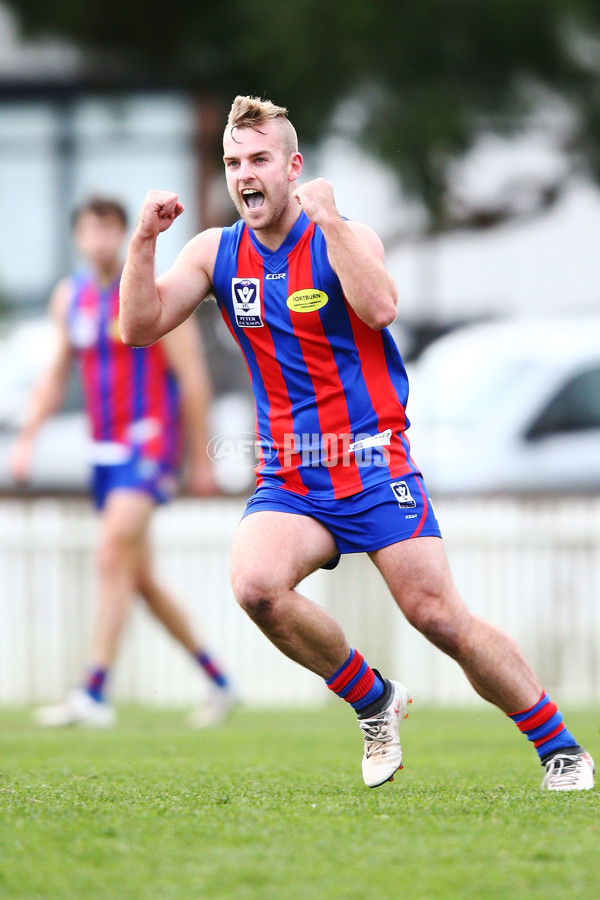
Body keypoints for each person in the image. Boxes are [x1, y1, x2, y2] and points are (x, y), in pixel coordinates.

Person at [119, 96, 594, 790]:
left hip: (372, 463)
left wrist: (332, 219)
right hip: (291, 476)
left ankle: (561, 749)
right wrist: (142, 242)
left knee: (438, 616)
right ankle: (375, 699)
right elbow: (138, 328)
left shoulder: (342, 235)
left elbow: (381, 307)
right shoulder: (216, 251)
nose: (244, 175)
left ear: (293, 167)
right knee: (256, 587)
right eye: (232, 163)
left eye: (258, 160)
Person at [10, 196, 234, 729]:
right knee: (138, 578)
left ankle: (92, 691)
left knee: (112, 553)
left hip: (150, 448)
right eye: (90, 230)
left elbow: (194, 378)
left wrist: (200, 459)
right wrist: (27, 438)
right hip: (104, 454)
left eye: (109, 230)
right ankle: (219, 681)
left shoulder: (150, 293)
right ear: (78, 238)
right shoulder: (71, 298)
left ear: (121, 235)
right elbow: (56, 373)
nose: (100, 241)